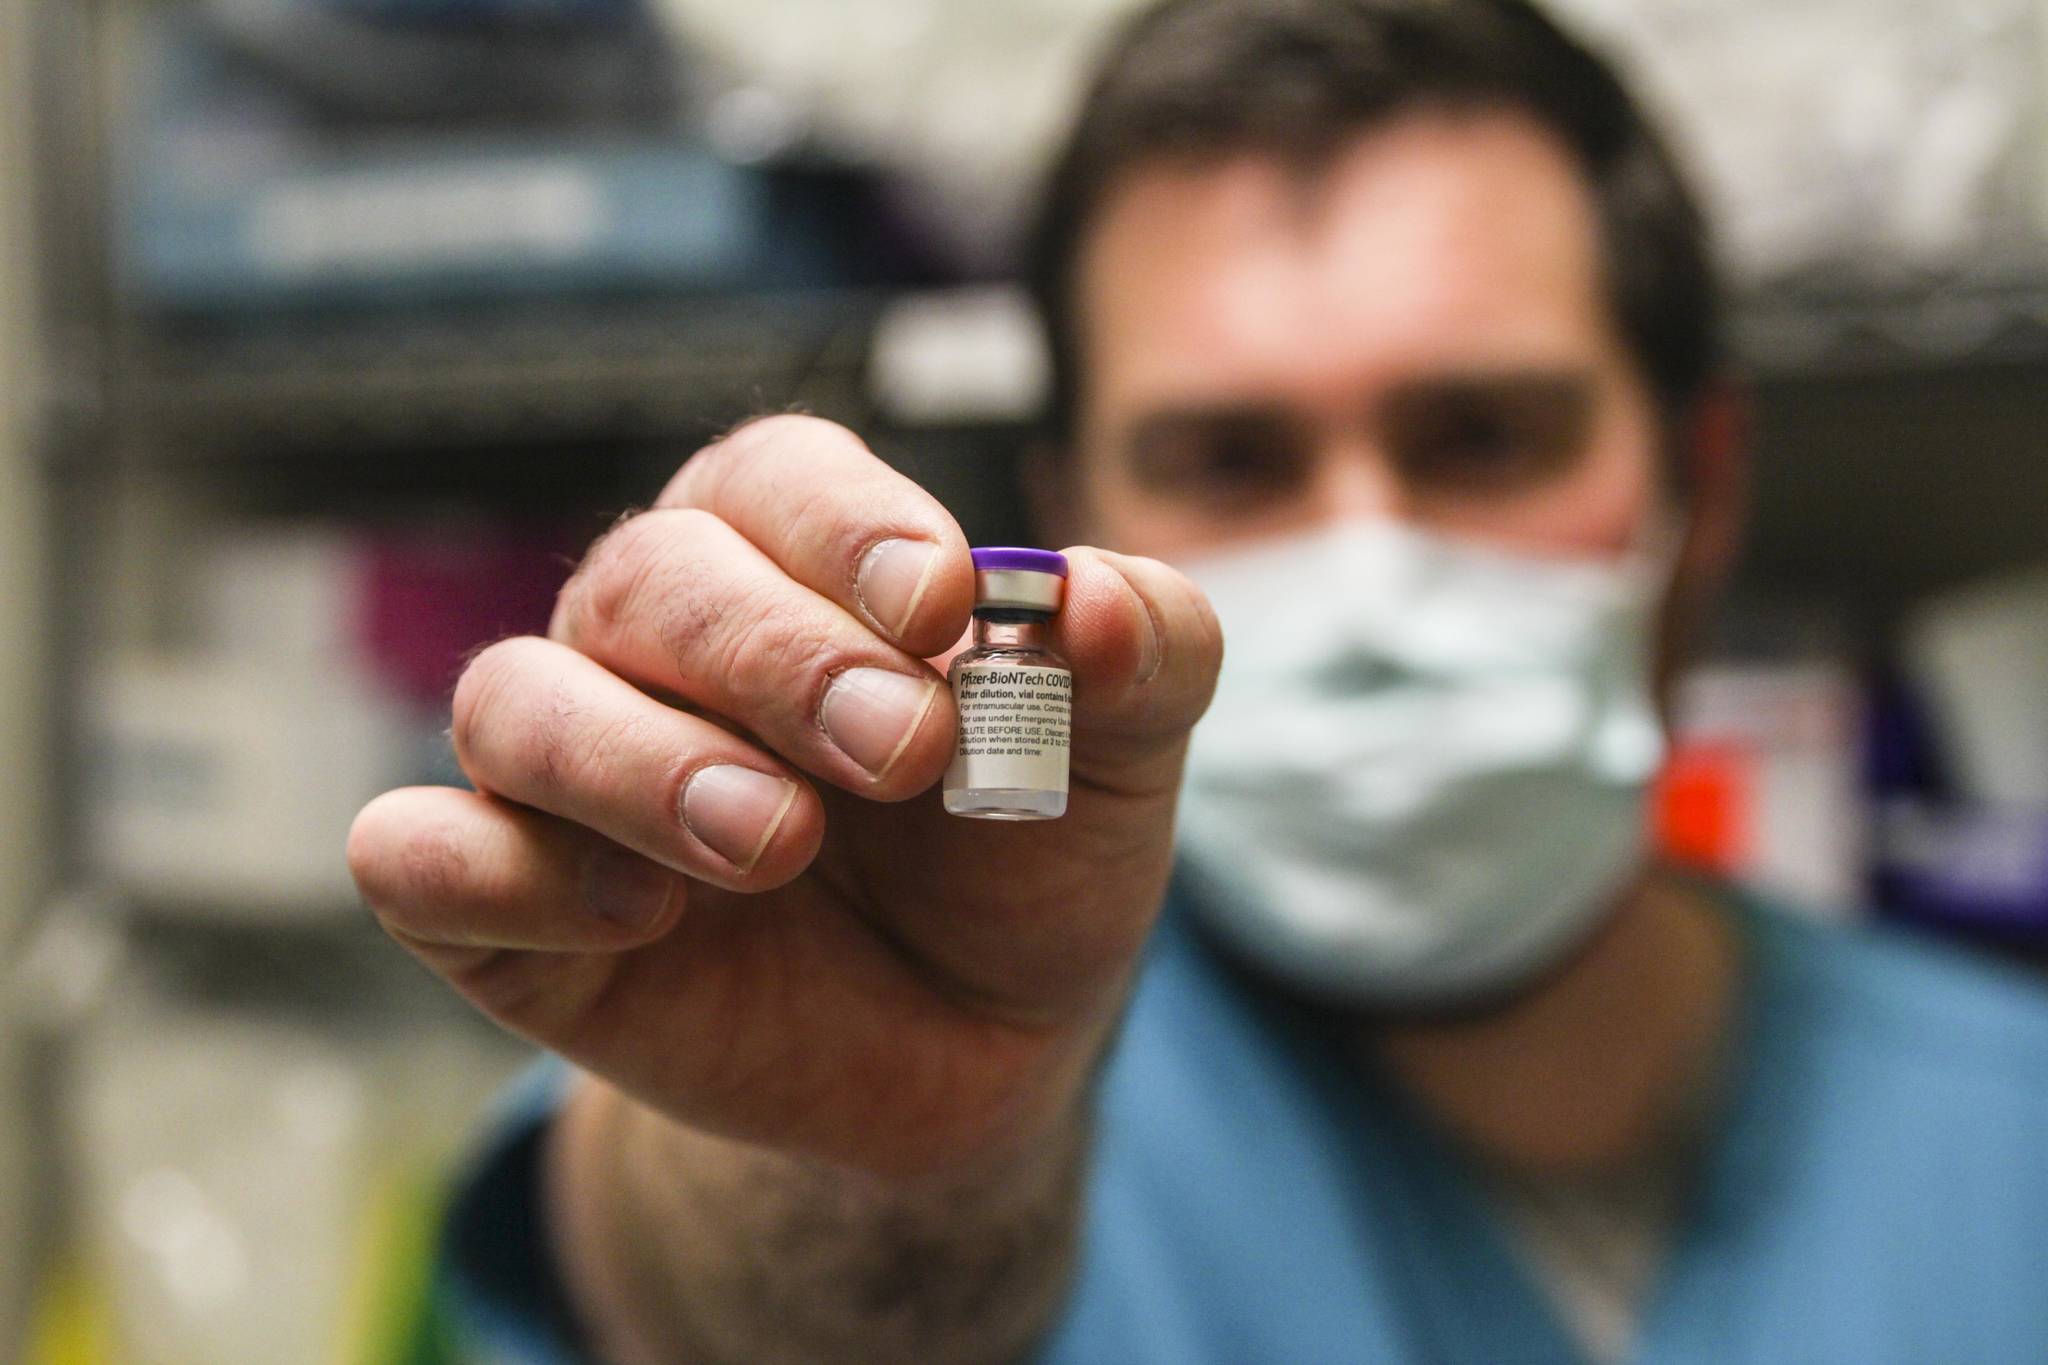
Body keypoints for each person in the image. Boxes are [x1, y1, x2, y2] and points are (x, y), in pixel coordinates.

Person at [345, 1, 2048, 1361]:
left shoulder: (2006, 1137)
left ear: (1702, 491)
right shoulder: (934, 994)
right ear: (1076, 522)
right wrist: (888, 1172)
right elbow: (718, 1288)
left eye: (1482, 437)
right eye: (1233, 461)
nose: (1370, 572)